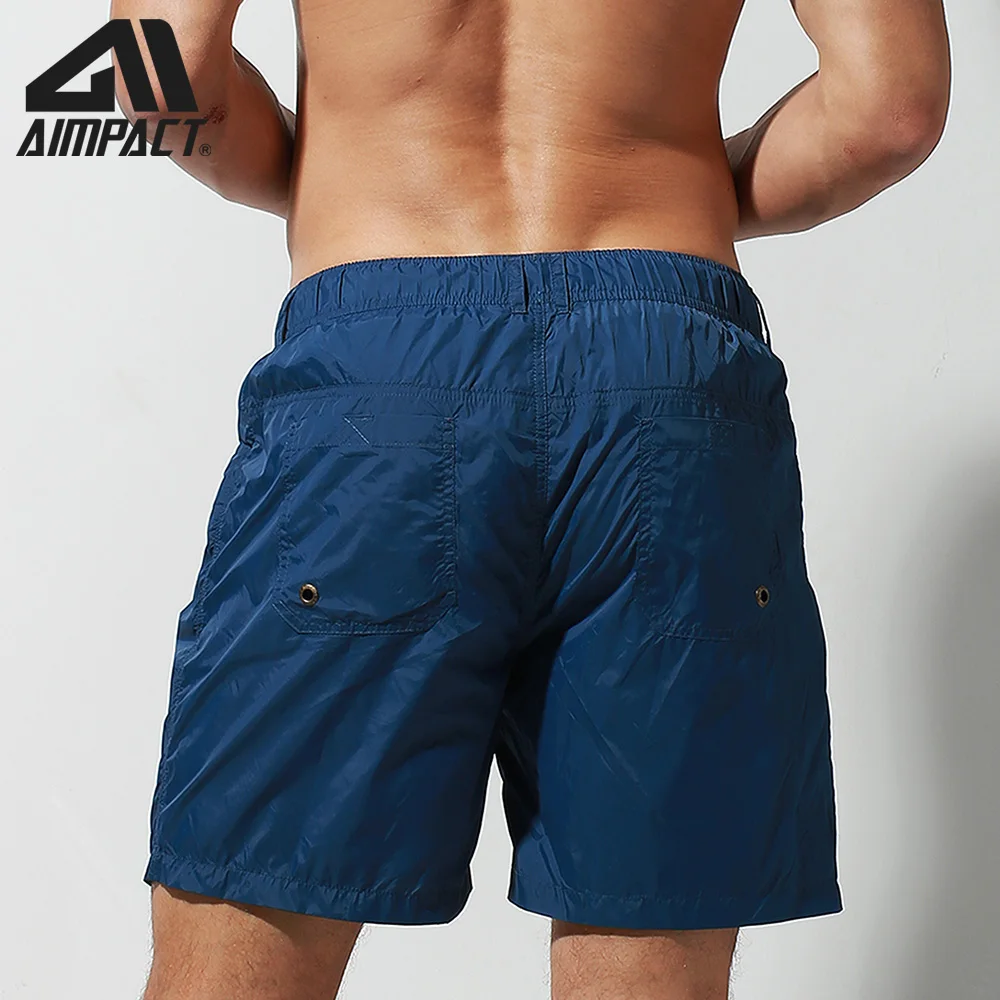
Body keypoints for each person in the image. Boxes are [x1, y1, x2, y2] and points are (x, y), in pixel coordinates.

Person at [111, 0, 951, 997]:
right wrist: (674, 188)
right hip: (667, 373)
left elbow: (158, 72)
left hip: (380, 371)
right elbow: (889, 108)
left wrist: (320, 177)